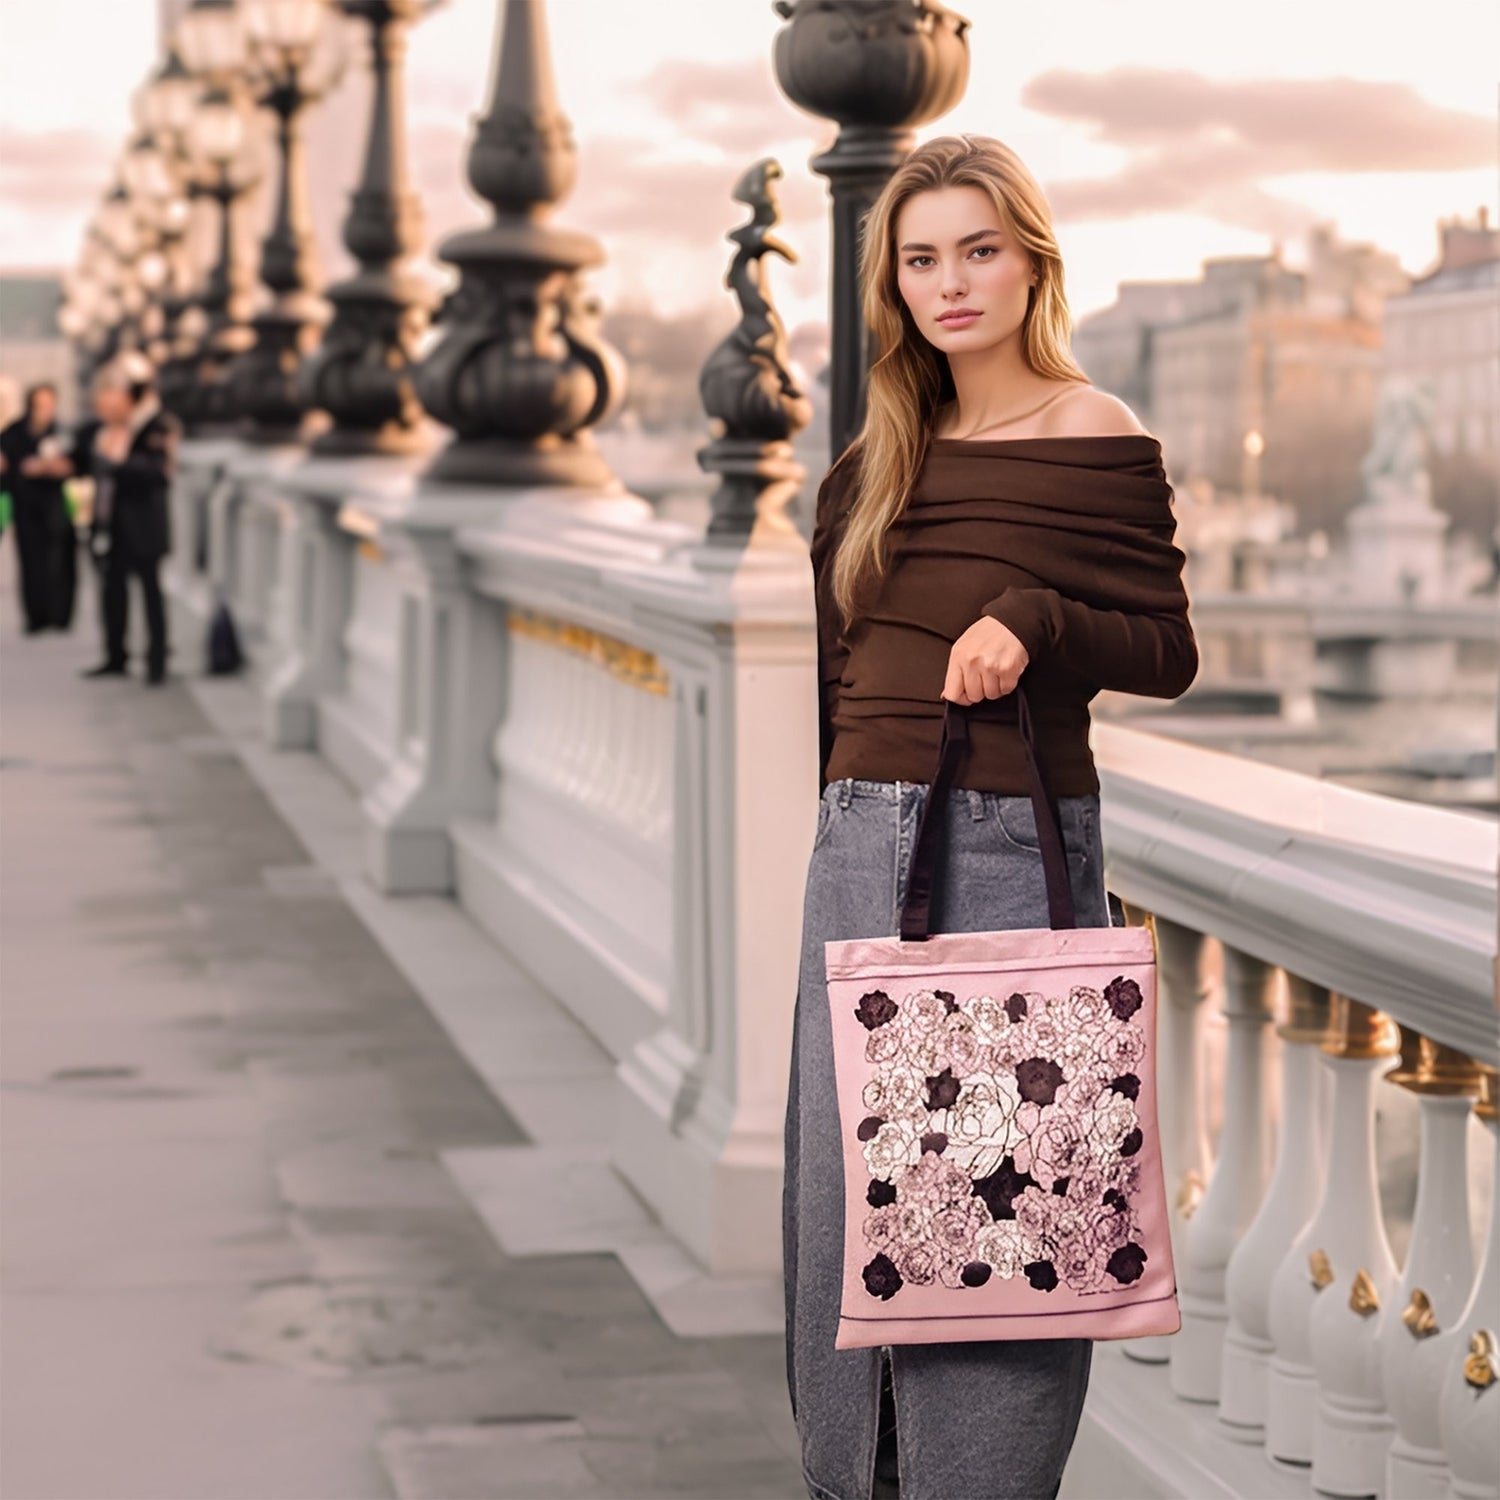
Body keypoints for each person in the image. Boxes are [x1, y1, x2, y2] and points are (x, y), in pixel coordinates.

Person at [783, 135, 1199, 1500]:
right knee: (855, 1214)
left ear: (1030, 262)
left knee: (1001, 1219)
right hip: (860, 845)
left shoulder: (1095, 435)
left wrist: (1031, 620)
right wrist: (849, 833)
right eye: (920, 260)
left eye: (978, 250)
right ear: (891, 288)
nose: (950, 283)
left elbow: (1165, 648)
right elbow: (843, 677)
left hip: (1005, 847)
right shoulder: (873, 464)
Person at [71, 357, 178, 684]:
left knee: (150, 593)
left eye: (112, 396)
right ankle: (115, 656)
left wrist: (117, 464)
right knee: (111, 591)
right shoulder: (100, 431)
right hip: (108, 523)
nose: (105, 405)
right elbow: (80, 463)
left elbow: (157, 474)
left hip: (143, 525)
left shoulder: (154, 427)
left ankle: (156, 661)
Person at [0, 382, 78, 633]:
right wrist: (24, 468)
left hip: (57, 503)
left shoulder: (63, 431)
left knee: (60, 562)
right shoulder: (14, 432)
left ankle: (59, 616)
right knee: (30, 562)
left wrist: (60, 468)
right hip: (26, 505)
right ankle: (36, 617)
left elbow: (78, 462)